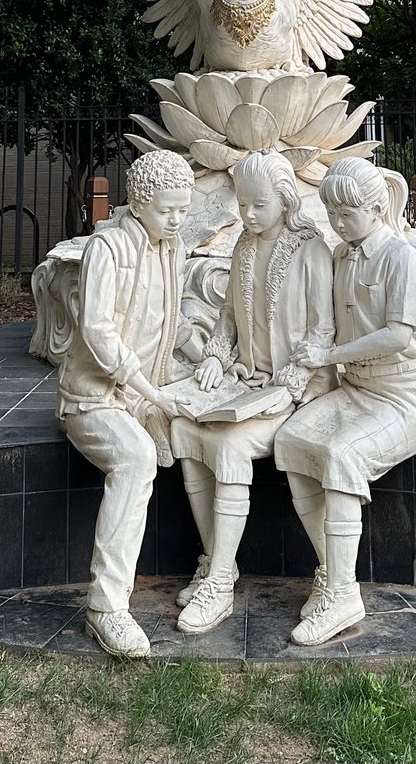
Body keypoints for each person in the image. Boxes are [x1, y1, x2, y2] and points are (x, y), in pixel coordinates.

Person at [273, 160, 416, 645]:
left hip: (404, 394)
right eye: (330, 212)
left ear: (374, 208)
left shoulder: (400, 257)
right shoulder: (341, 256)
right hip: (356, 389)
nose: (336, 222)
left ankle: (346, 595)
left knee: (343, 455)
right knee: (292, 440)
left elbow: (397, 334)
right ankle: (331, 572)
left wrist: (329, 354)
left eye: (346, 213)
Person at [171, 151, 334, 634]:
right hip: (244, 377)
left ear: (285, 200)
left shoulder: (311, 249)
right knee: (182, 427)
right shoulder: (243, 244)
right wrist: (218, 357)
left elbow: (323, 331)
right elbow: (227, 318)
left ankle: (221, 582)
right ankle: (215, 560)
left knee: (229, 446)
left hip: (297, 387)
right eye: (243, 205)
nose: (248, 214)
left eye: (258, 205)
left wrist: (291, 384)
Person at [56, 149, 196, 660]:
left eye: (184, 208)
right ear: (139, 203)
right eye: (168, 209)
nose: (177, 219)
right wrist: (145, 388)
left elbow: (171, 320)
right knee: (136, 458)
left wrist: (208, 356)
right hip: (96, 398)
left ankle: (214, 577)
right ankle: (106, 607)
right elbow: (96, 329)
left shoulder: (173, 249)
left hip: (145, 393)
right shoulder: (108, 249)